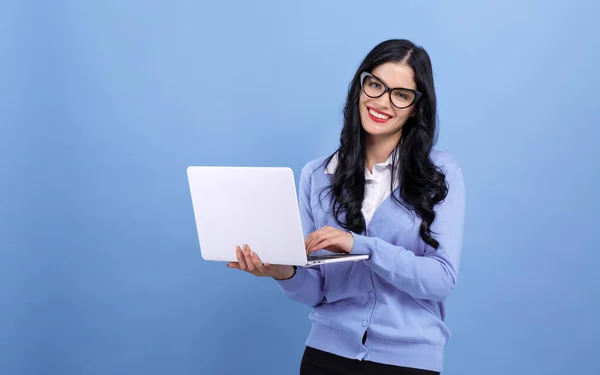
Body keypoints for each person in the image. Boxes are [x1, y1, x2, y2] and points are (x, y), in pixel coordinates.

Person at [227, 39, 466, 375]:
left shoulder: (441, 175)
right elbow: (317, 291)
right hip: (325, 356)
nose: (382, 102)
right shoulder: (317, 175)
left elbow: (441, 280)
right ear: (360, 86)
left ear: (416, 107)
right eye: (375, 85)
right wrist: (284, 272)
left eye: (401, 94)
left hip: (407, 361)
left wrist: (360, 245)